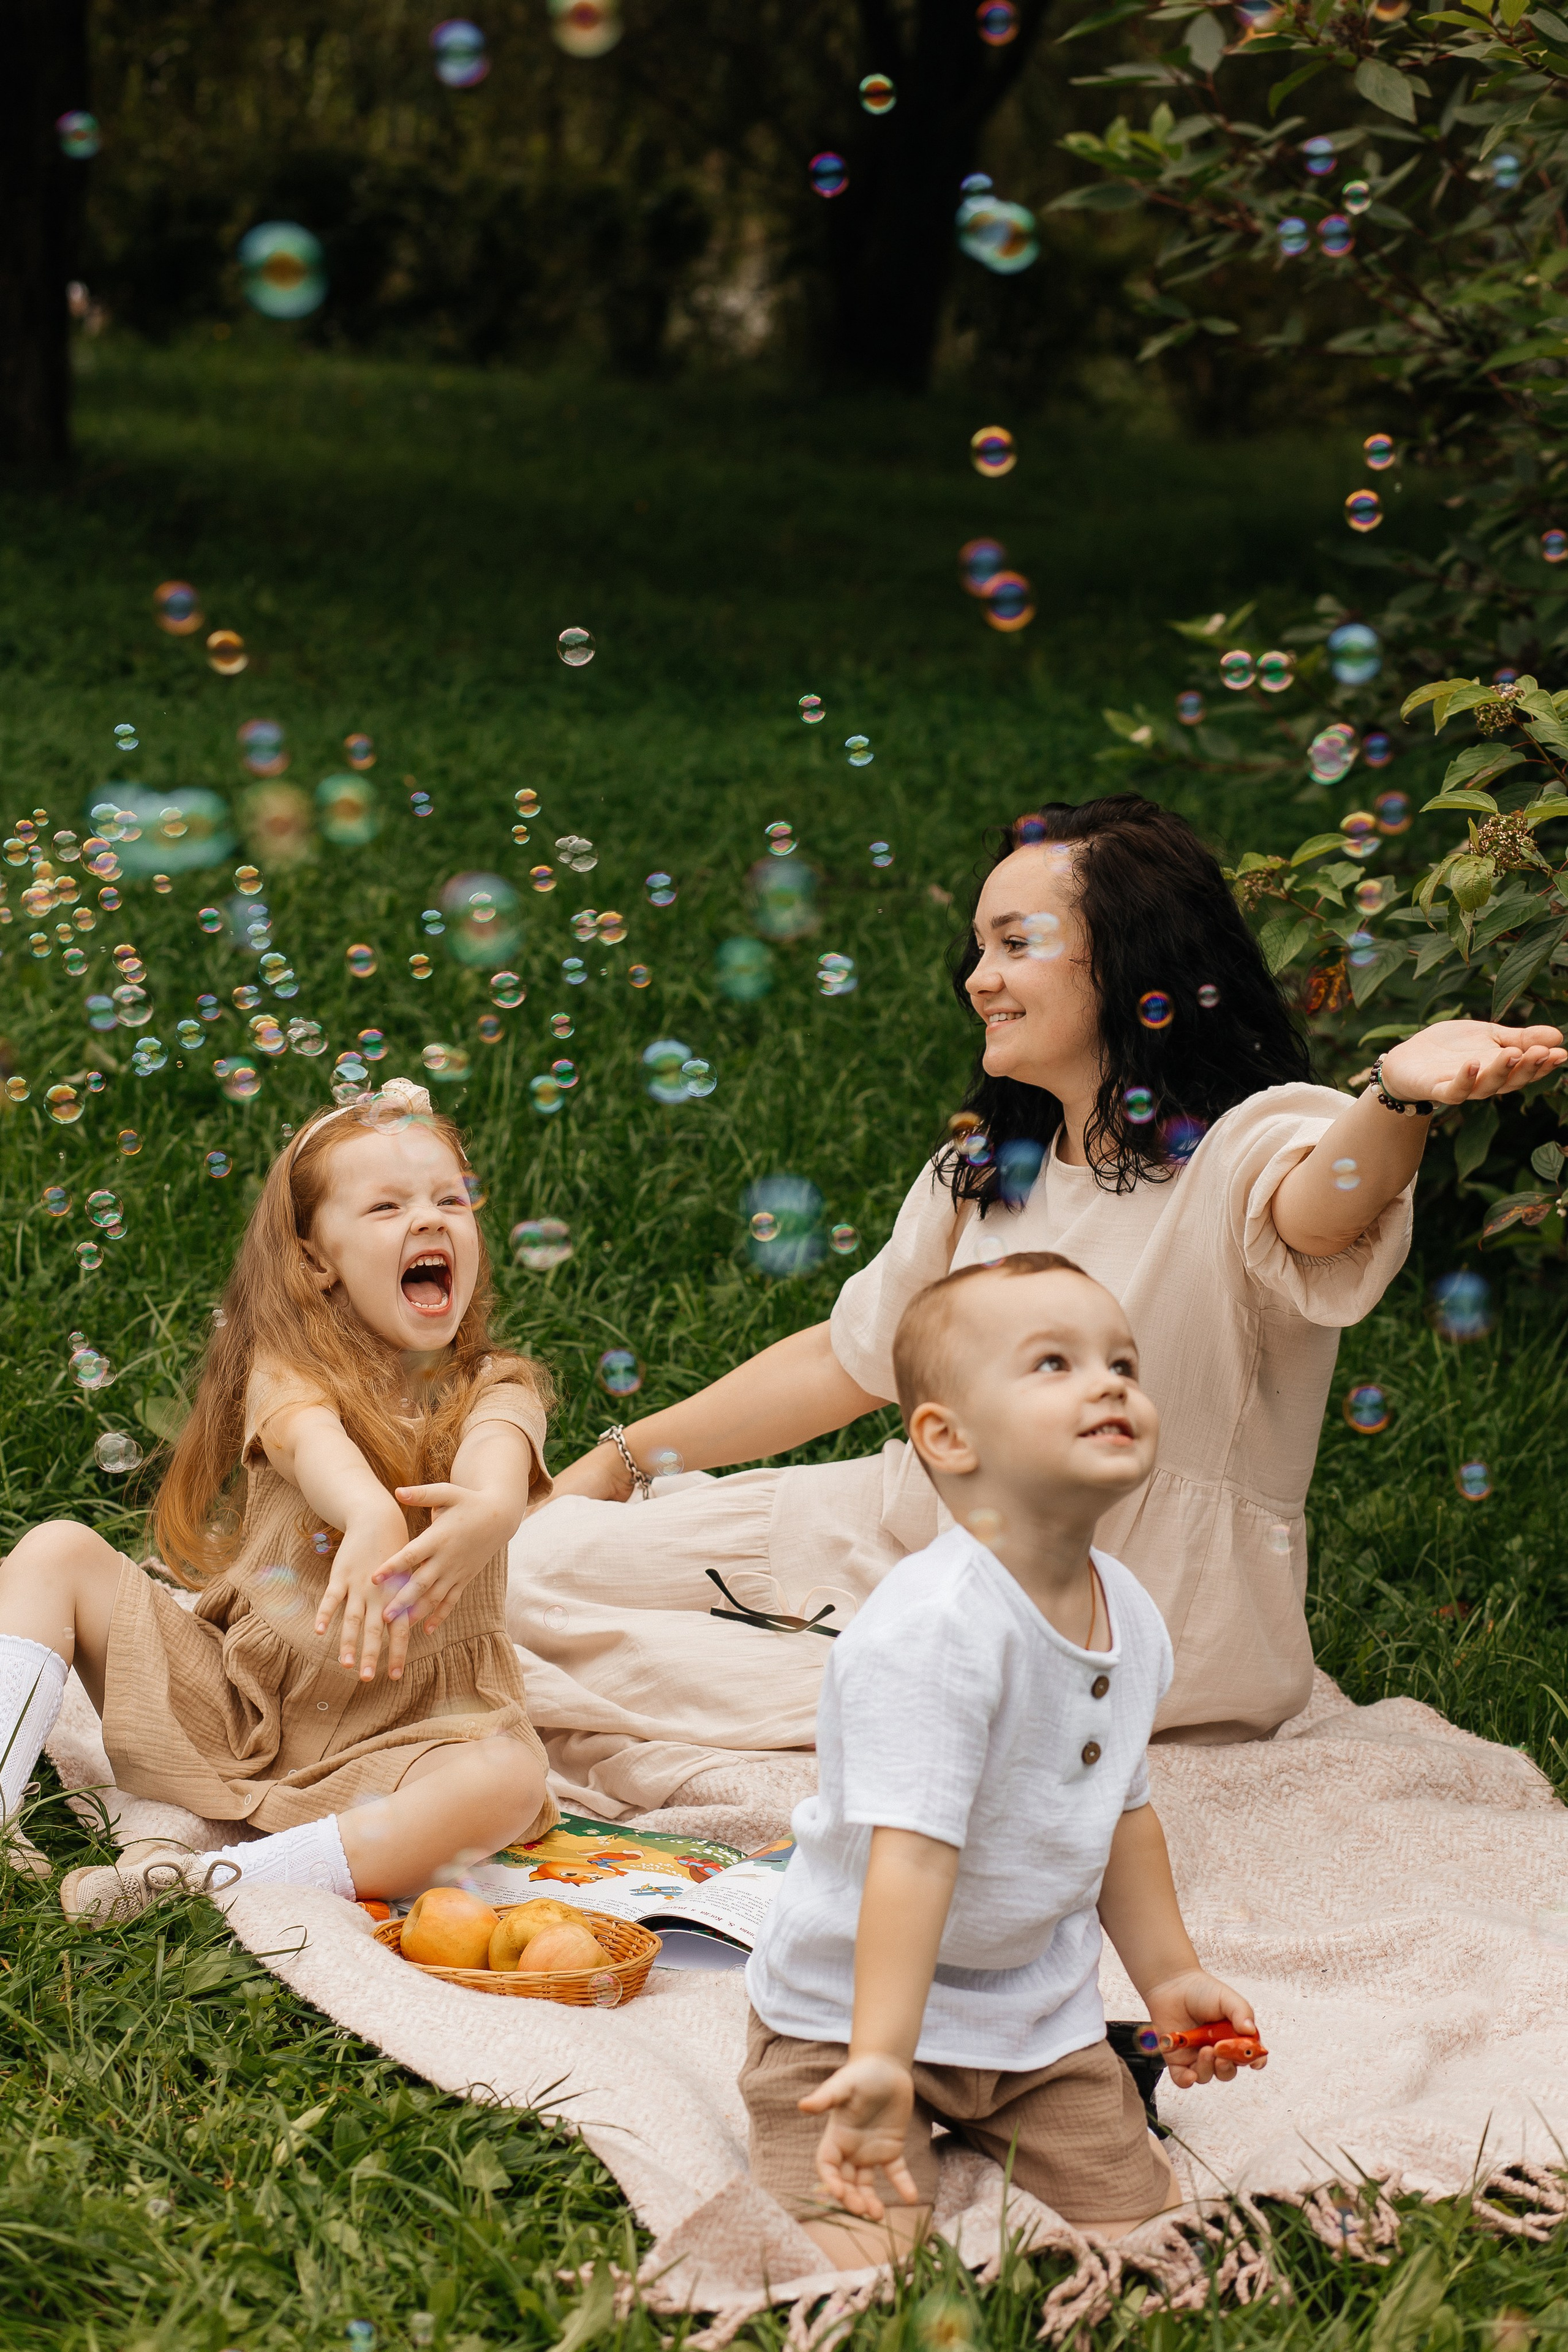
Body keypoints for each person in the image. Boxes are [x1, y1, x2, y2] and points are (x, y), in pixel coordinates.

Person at [508, 794, 1565, 1814]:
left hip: (1100, 1619)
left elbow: (1324, 1207)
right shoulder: (990, 1168)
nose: (978, 979)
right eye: (978, 947)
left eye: (1016, 944)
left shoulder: (1239, 1150)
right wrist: (622, 1460)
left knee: (532, 1642)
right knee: (519, 1565)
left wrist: (1400, 1098)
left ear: (1134, 962)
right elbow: (851, 1358)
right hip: (907, 1536)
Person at [742, 1251, 1265, 2268]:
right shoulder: (938, 1629)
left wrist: (1170, 1976)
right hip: (848, 2019)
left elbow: (1121, 1812)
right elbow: (914, 1855)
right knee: (863, 2251)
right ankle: (866, 2114)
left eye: (1122, 1361)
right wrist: (883, 2060)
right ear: (947, 1436)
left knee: (1152, 2232)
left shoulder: (1133, 1615)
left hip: (1033, 2023)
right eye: (1055, 1364)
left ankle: (1021, 2114)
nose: (1110, 1382)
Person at [0, 1077, 557, 1917]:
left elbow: (498, 1461)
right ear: (313, 1261)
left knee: (511, 1780)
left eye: (451, 1197)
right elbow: (312, 1440)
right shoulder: (288, 1373)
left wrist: (491, 1508)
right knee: (55, 1551)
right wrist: (369, 1511)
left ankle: (204, 1885)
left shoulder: (497, 1386)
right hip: (231, 1704)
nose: (431, 1218)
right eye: (386, 1207)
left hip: (410, 1736)